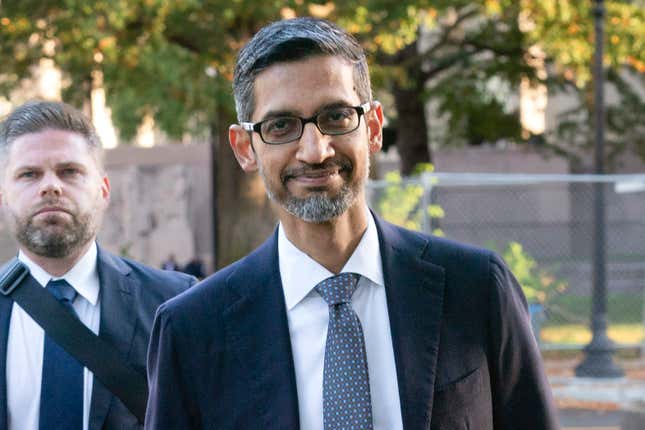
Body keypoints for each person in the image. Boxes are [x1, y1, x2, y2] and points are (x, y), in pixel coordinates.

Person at [145, 17, 558, 430]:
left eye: (336, 116)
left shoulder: (477, 288)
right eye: (281, 126)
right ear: (245, 148)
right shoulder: (191, 331)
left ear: (373, 127)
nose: (315, 150)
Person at [0, 101, 196, 430]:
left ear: (103, 190)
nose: (51, 186)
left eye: (69, 171)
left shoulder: (177, 303)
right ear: (3, 197)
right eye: (29, 174)